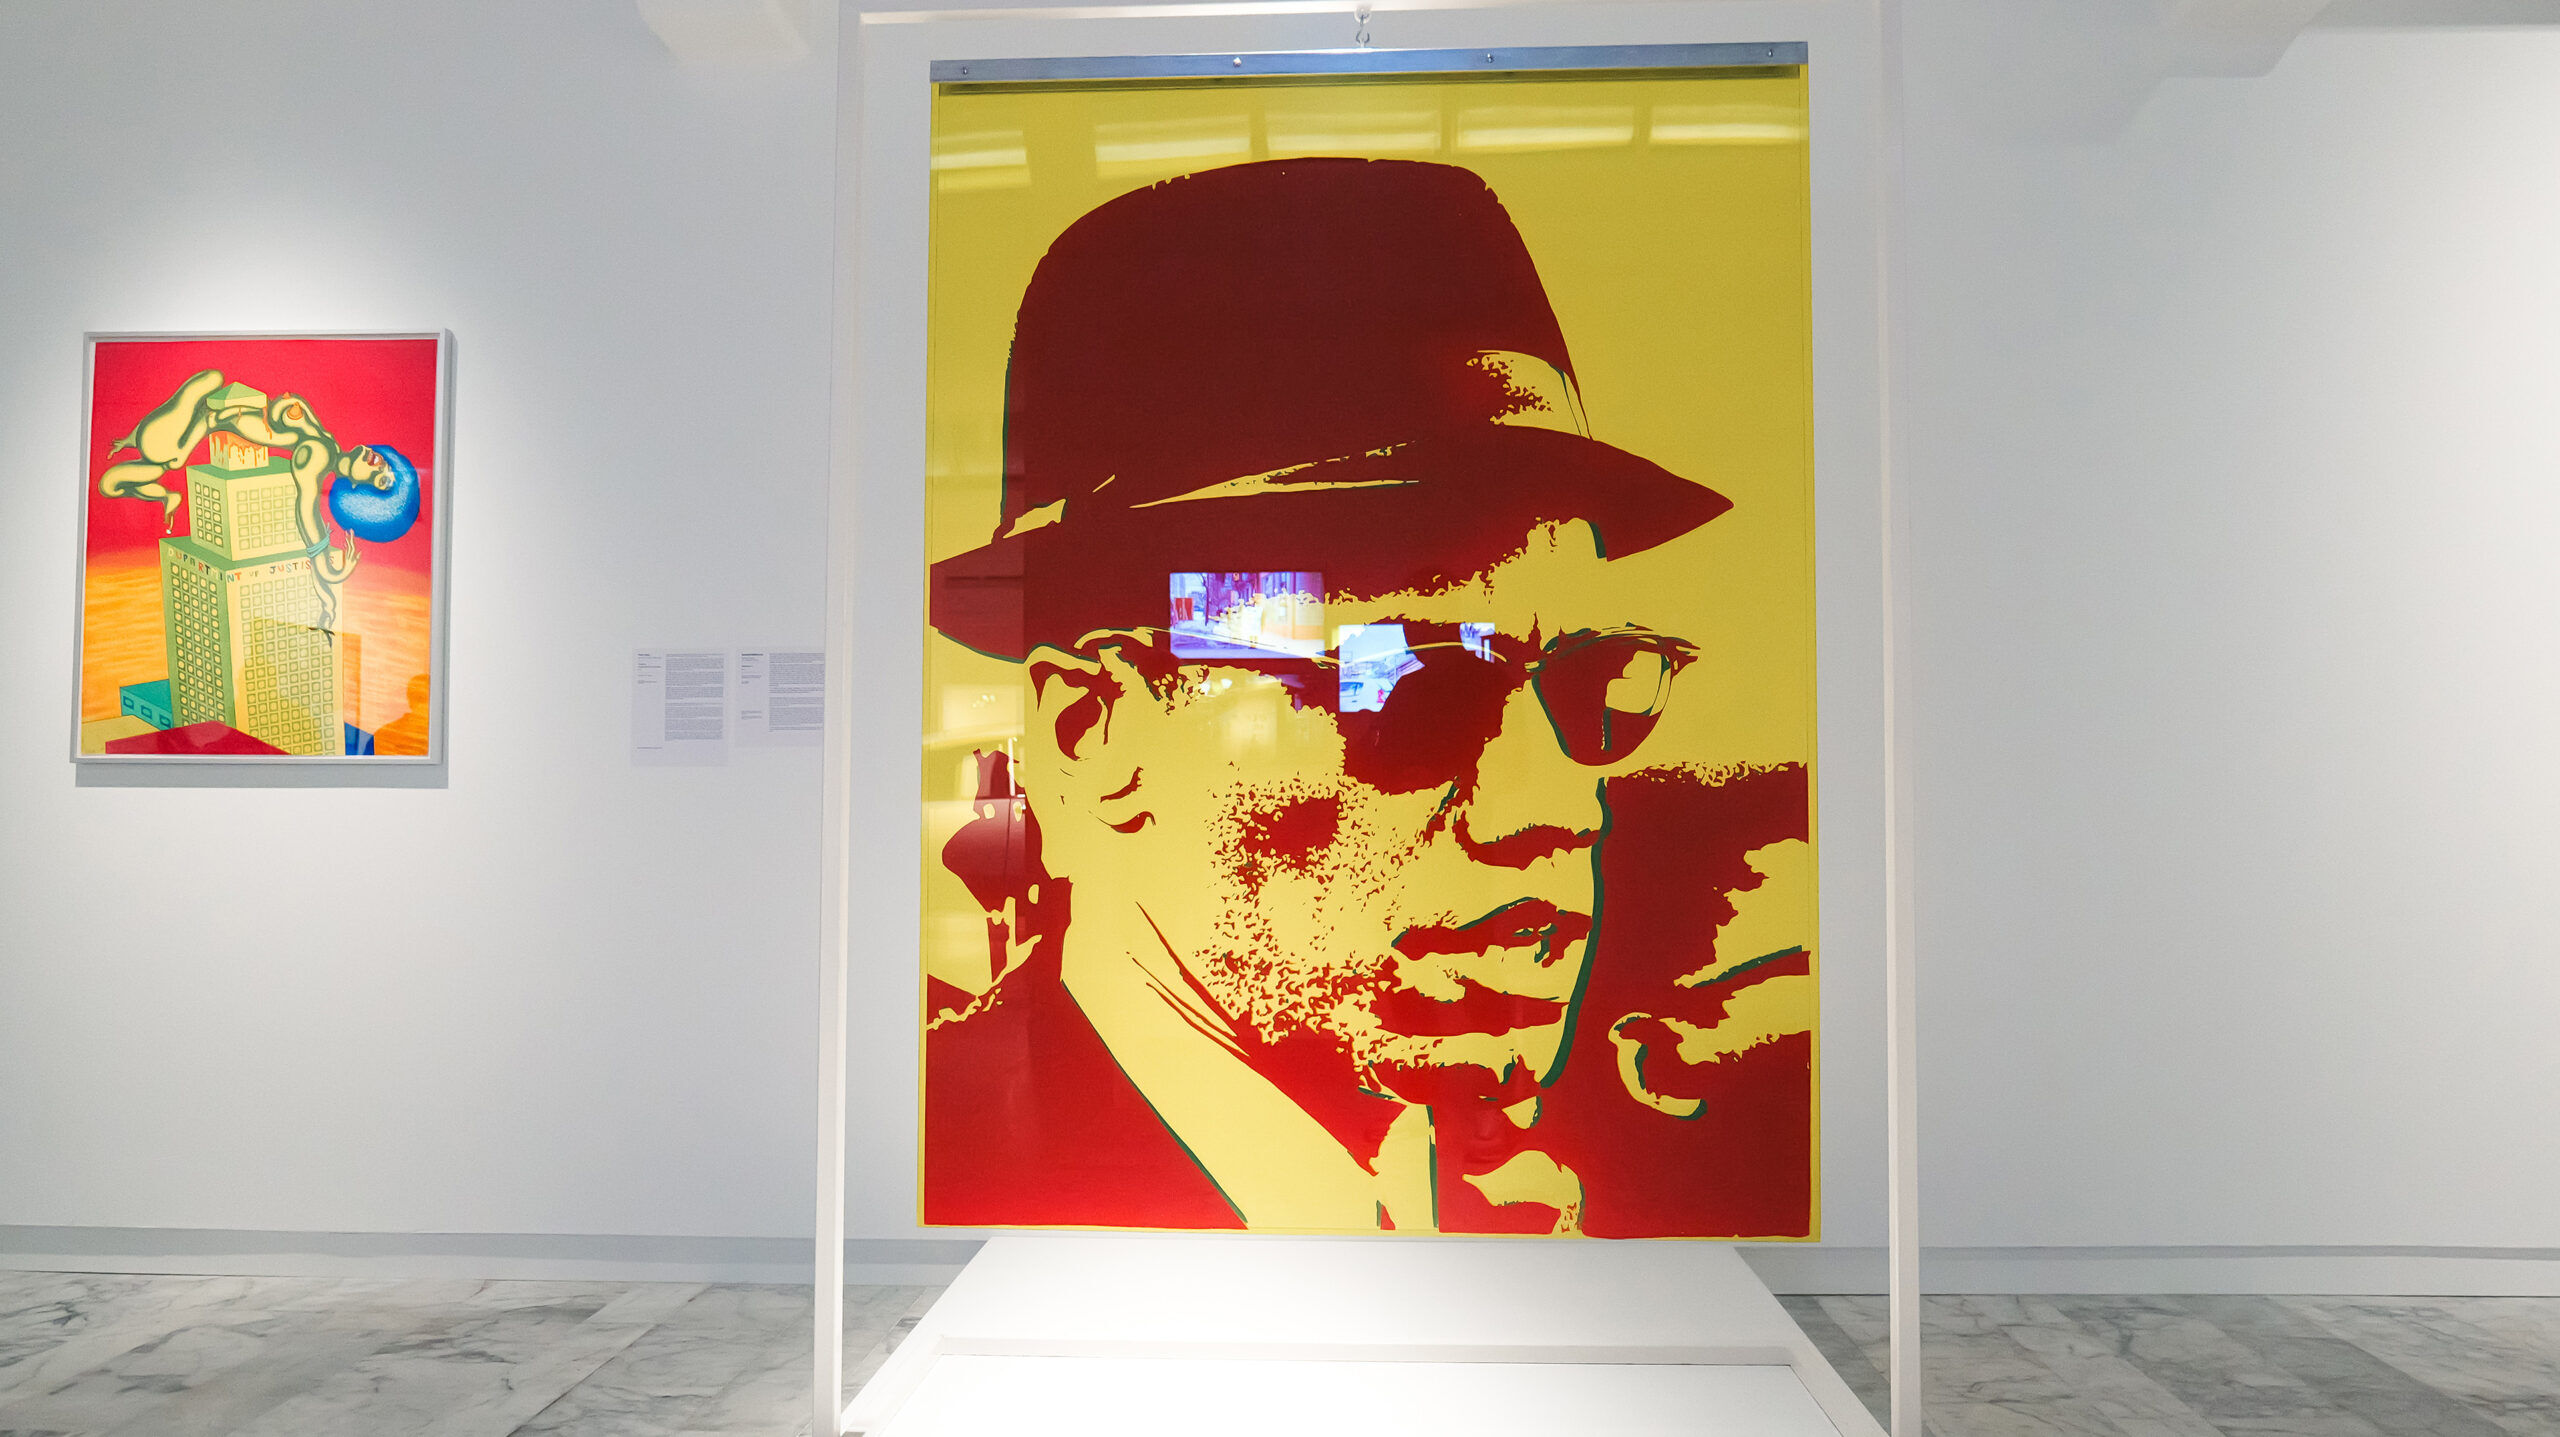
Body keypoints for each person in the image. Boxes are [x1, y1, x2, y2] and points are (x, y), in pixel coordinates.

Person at [924, 157, 1813, 1236]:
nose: (1559, 812)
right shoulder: (961, 1170)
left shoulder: (1525, 1192)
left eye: (1596, 689)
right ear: (1093, 734)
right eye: (1413, 689)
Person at [101, 370, 414, 632]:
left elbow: (307, 515)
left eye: (380, 476)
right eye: (383, 463)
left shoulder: (317, 458)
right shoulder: (328, 444)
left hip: (205, 421)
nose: (378, 462)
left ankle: (166, 486)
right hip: (207, 415)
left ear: (359, 486)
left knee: (159, 455)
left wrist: (327, 576)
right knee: (147, 456)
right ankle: (164, 486)